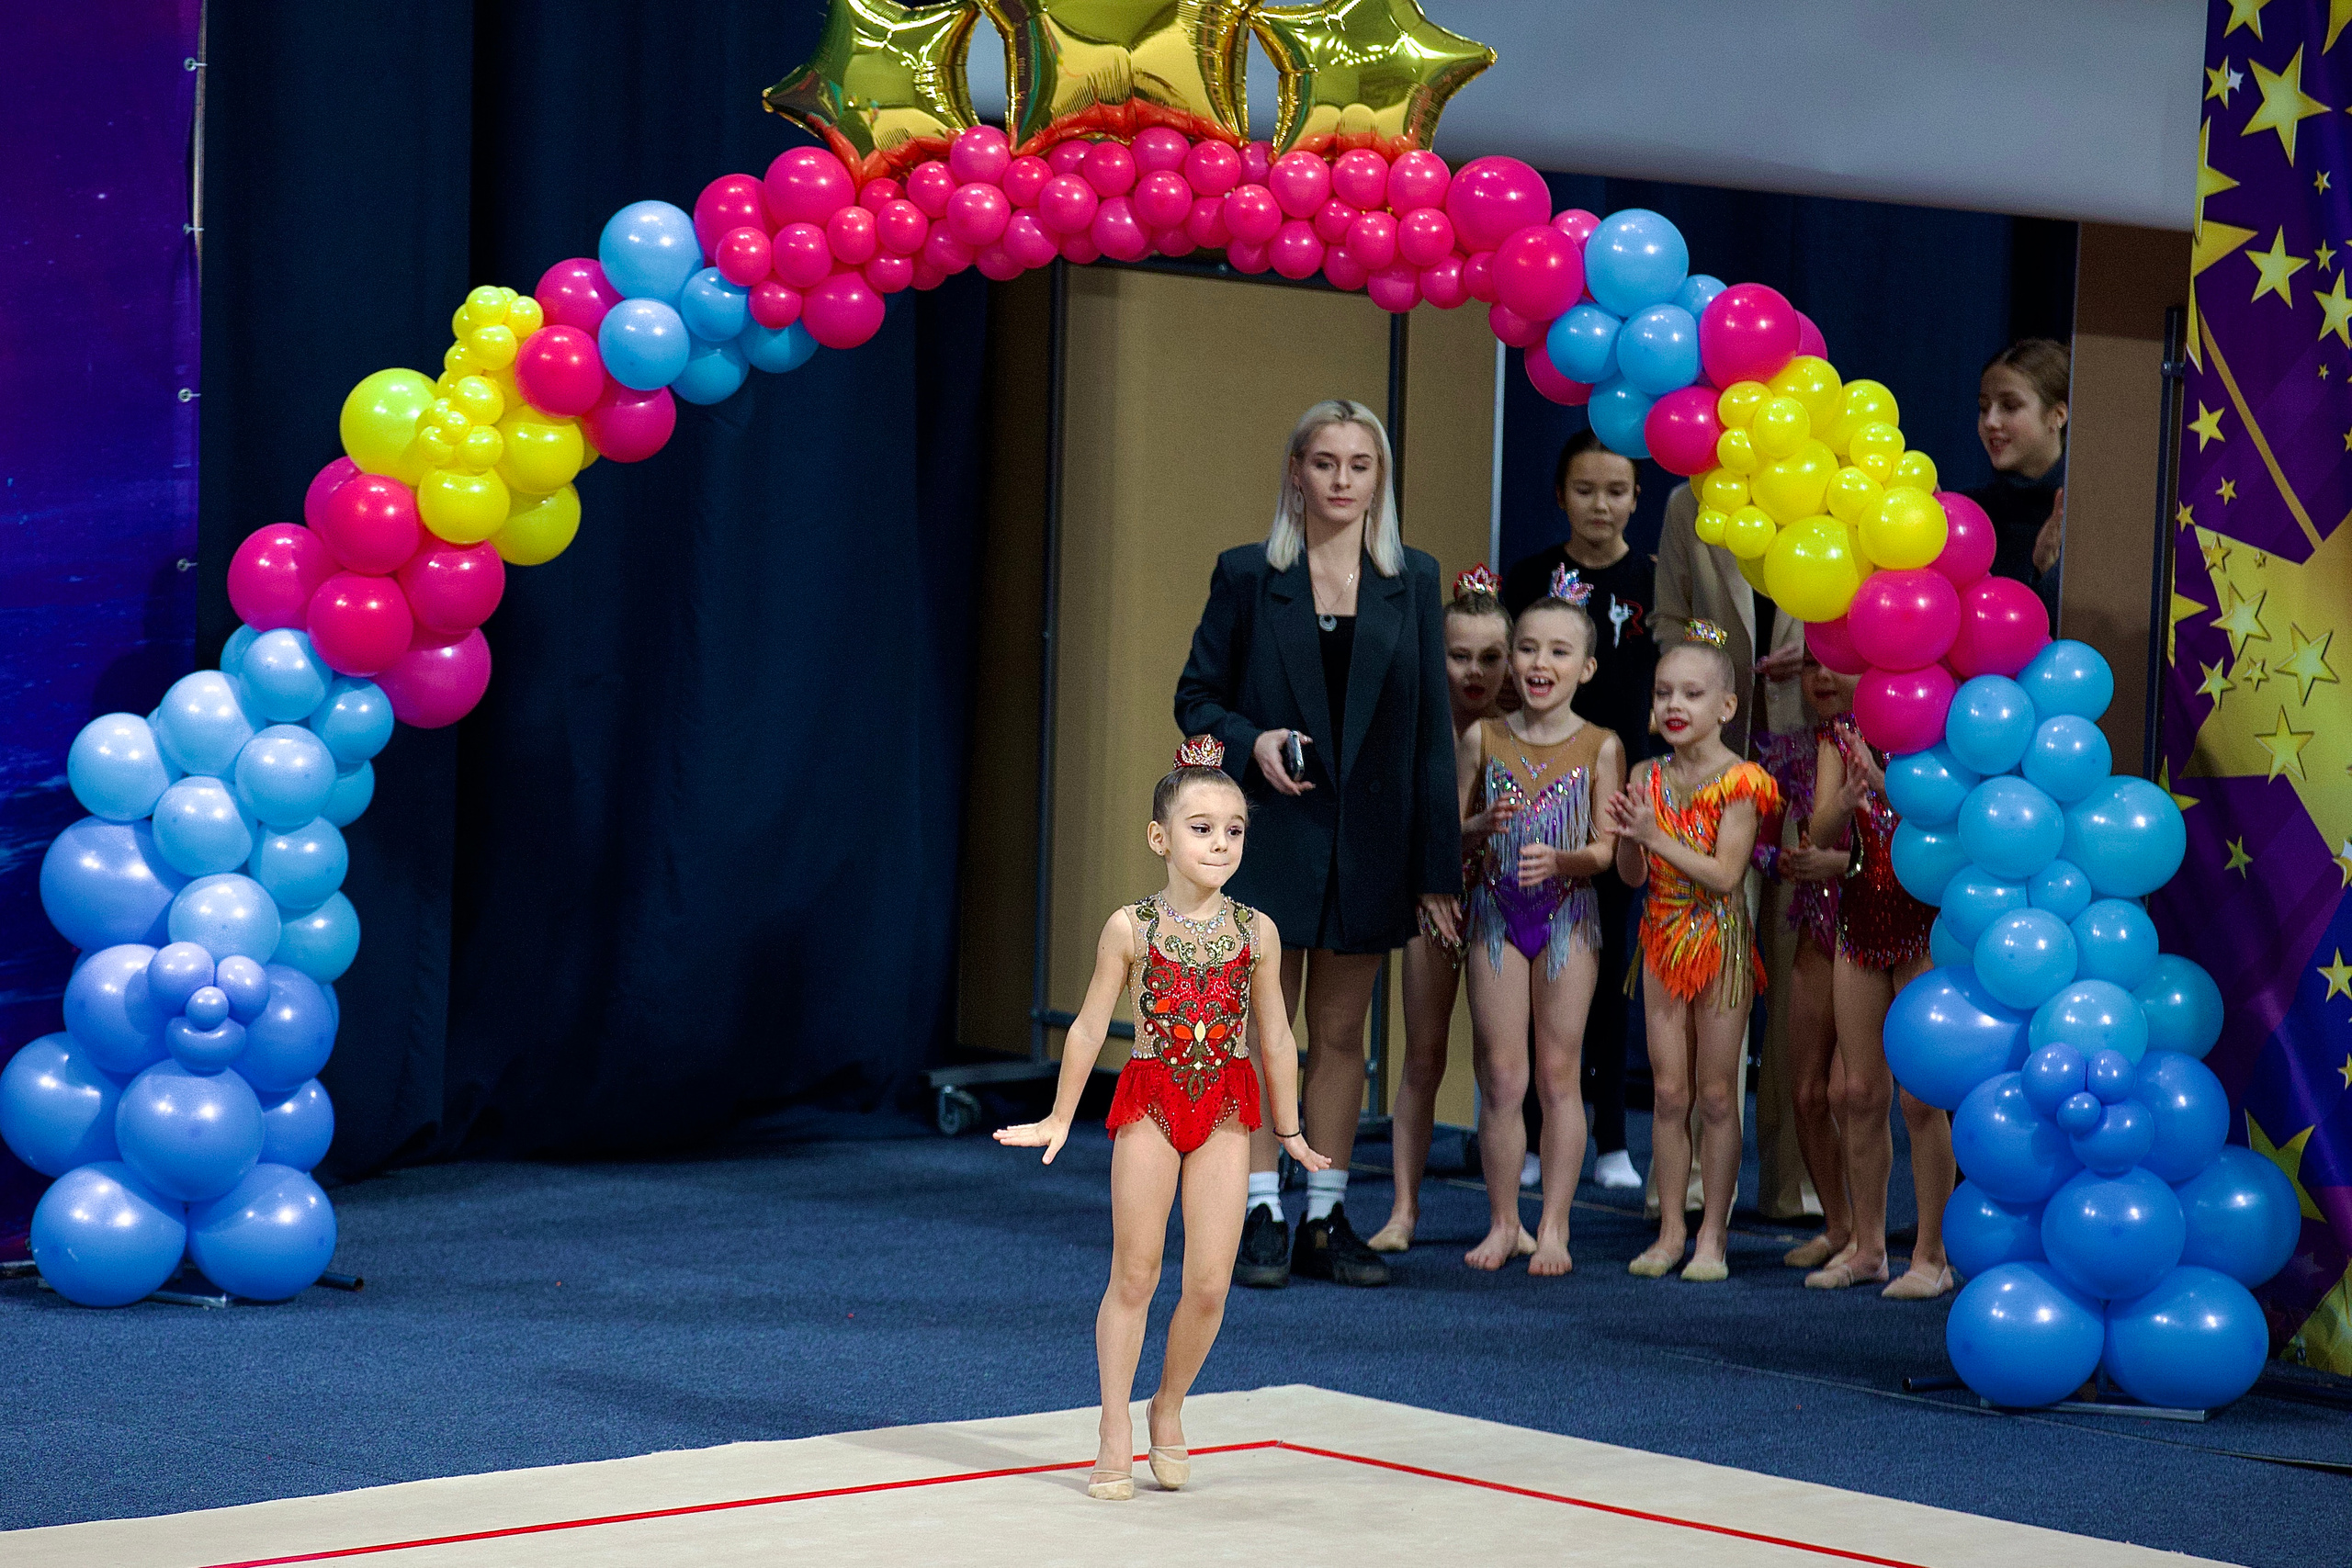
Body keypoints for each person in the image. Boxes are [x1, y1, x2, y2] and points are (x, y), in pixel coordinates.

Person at [995, 738, 1331, 1501]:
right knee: (1137, 1271)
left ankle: (1168, 1403)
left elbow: (1275, 1035)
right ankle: (1114, 1420)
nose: (1220, 842)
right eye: (1201, 827)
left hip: (1225, 1109)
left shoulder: (1257, 932)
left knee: (1211, 1282)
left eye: (1234, 829)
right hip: (1149, 1100)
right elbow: (1086, 1027)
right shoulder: (1132, 926)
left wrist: (1289, 1127)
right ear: (1160, 837)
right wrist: (1058, 1114)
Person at [1174, 399, 1461, 1290]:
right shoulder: (1247, 575)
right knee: (1268, 1033)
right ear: (1295, 474)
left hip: (1370, 846)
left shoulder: (1412, 579)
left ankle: (1324, 1217)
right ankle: (1260, 1211)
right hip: (1268, 839)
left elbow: (1429, 740)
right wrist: (1249, 741)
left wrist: (1435, 872)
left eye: (1359, 466)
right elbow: (1194, 703)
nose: (1342, 481)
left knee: (1342, 1036)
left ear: (1379, 480)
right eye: (1325, 464)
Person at [1501, 430, 1656, 1193]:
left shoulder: (1654, 583)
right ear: (1561, 494)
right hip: (1536, 790)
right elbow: (1499, 676)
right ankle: (1530, 1134)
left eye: (1617, 490)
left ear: (1637, 497)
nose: (1601, 504)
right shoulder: (1529, 578)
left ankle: (1614, 1138)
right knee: (1534, 965)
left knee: (1609, 960)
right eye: (1586, 489)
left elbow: (1692, 667)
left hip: (1615, 794)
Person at [1462, 567, 1625, 1274]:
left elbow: (1607, 852)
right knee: (1501, 1075)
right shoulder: (1484, 738)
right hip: (1495, 911)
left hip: (1567, 917)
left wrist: (1563, 861)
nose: (1539, 664)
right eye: (1527, 648)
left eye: (1559, 652)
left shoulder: (1601, 745)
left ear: (1586, 666)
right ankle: (1505, 1221)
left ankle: (1554, 1225)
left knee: (1559, 1073)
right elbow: (1451, 833)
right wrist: (1478, 824)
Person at [1608, 624, 1777, 1281]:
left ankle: (1713, 1235)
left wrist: (1655, 834)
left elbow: (1725, 874)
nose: (1675, 705)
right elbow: (1630, 875)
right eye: (1664, 692)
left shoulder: (1743, 781)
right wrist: (1628, 837)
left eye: (1692, 693)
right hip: (1659, 937)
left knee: (1713, 1094)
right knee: (1669, 1092)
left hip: (1720, 942)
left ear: (1726, 708)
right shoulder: (1647, 773)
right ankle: (1670, 1229)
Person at [1369, 566, 1510, 1255]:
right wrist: (1464, 831)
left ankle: (1506, 1215)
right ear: (1436, 654)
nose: (1475, 671)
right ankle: (1402, 1209)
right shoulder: (1416, 723)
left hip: (1500, 906)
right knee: (1423, 1055)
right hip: (1433, 899)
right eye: (1459, 656)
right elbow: (1401, 827)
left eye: (1491, 657)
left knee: (1500, 1064)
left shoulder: (1516, 732)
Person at [1804, 717, 1956, 1299]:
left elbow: (1951, 818)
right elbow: (1820, 833)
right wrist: (1846, 797)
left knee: (1921, 1099)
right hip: (1862, 918)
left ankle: (1931, 1255)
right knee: (1858, 1093)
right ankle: (1868, 1249)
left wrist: (1889, 782)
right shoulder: (1839, 733)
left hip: (1926, 925)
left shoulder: (1941, 719)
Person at [1751, 650, 1860, 1270]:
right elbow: (1767, 848)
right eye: (1812, 663)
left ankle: (1879, 1229)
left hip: (1873, 923)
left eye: (1836, 663)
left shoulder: (1897, 749)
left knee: (1853, 1091)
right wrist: (1783, 863)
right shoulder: (1791, 752)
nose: (1823, 675)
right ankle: (1838, 1225)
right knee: (1807, 1091)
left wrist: (1838, 863)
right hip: (1815, 924)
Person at [1969, 339, 2069, 626]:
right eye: (1984, 407)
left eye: (2009, 406)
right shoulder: (1970, 514)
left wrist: (2047, 571)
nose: (1990, 421)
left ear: (2057, 415)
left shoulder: (2087, 518)